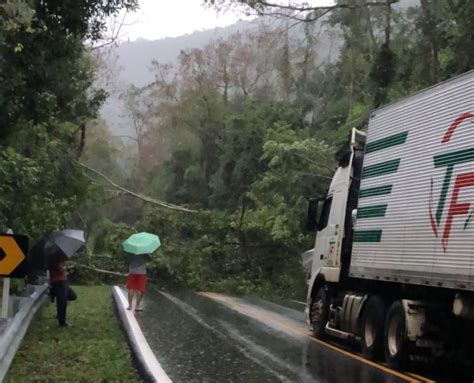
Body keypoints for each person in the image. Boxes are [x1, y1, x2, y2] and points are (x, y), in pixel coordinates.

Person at [49, 260, 76, 327]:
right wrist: (65, 268)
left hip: (63, 281)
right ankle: (62, 322)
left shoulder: (60, 258)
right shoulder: (54, 259)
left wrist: (66, 268)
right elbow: (60, 268)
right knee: (62, 302)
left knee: (72, 296)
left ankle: (54, 294)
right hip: (58, 282)